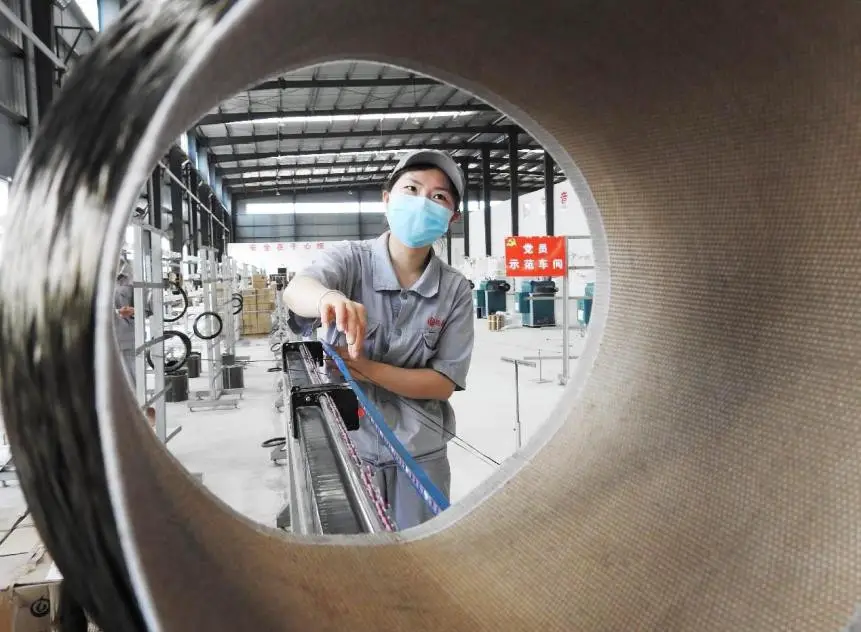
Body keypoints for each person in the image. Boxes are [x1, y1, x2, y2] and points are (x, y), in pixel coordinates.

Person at [283, 149, 475, 530]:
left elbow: (441, 383)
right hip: (346, 441)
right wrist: (327, 297)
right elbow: (296, 291)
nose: (423, 203)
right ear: (387, 199)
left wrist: (360, 367)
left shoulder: (454, 290)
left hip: (421, 452)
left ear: (451, 218)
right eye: (412, 189)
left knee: (421, 559)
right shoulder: (351, 260)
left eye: (439, 197)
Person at [114, 254, 156, 426]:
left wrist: (135, 310)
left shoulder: (132, 275)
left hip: (127, 337)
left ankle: (138, 416)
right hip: (102, 338)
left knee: (133, 379)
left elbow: (147, 306)